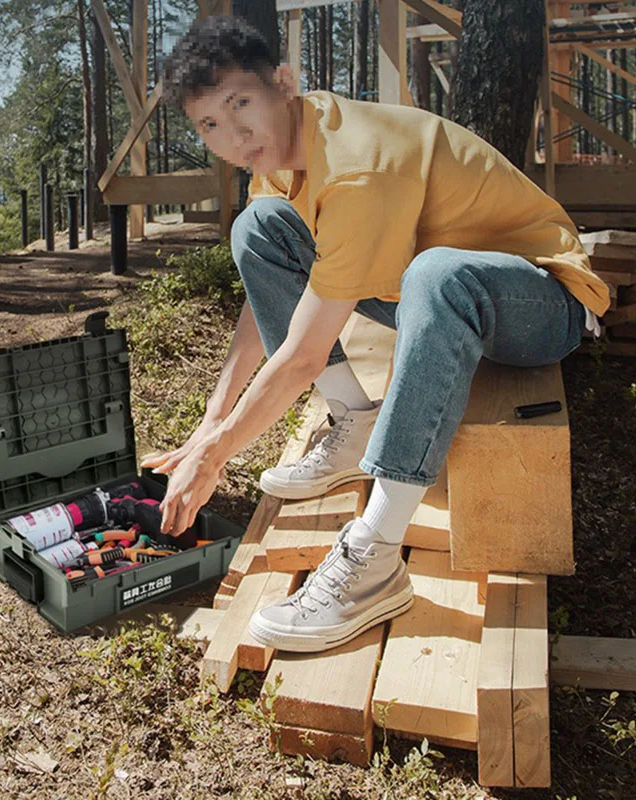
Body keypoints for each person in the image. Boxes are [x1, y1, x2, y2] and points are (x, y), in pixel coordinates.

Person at [141, 15, 609, 653]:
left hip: (539, 300)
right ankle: (354, 420)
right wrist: (209, 422)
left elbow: (303, 354)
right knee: (259, 229)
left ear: (285, 82)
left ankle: (376, 554)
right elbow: (267, 302)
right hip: (430, 297)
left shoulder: (358, 163)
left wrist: (217, 455)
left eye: (241, 103)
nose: (235, 135)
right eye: (210, 124)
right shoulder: (280, 157)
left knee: (437, 274)